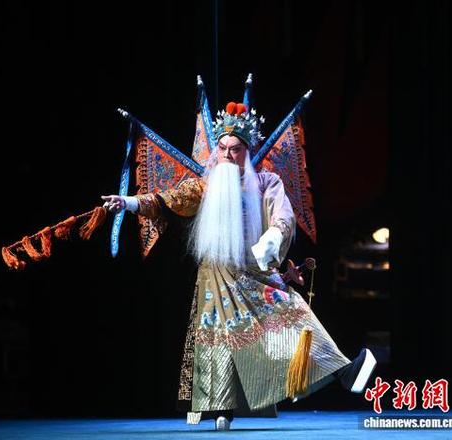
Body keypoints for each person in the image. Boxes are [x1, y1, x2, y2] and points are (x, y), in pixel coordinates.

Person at [102, 102, 376, 430]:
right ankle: (220, 408)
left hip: (255, 273)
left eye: (235, 149)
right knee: (218, 337)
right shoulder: (205, 186)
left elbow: (283, 216)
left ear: (248, 150)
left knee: (293, 316)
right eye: (222, 149)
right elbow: (170, 199)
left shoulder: (266, 182)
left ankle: (344, 371)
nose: (228, 155)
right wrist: (130, 202)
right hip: (216, 274)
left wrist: (273, 237)